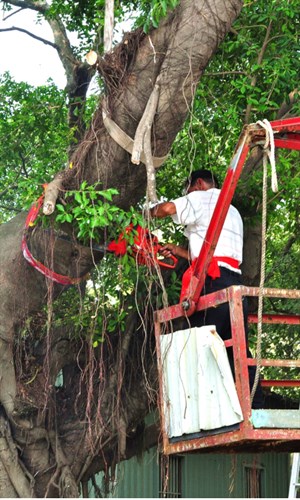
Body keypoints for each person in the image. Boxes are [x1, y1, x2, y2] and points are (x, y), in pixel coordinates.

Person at [149, 168, 264, 409]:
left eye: (187, 191)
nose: (187, 196)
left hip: (213, 283)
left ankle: (207, 411)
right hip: (234, 284)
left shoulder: (203, 196)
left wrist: (148, 210)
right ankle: (256, 404)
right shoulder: (230, 209)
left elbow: (167, 209)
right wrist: (179, 251)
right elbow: (213, 251)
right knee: (236, 345)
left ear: (199, 184)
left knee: (201, 342)